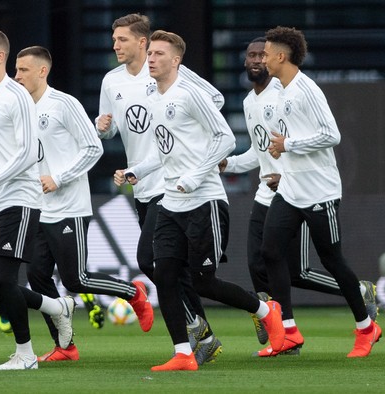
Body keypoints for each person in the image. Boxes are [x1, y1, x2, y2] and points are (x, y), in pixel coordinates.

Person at [124, 30, 285, 371]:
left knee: (203, 281)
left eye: (158, 54)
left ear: (176, 60)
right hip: (171, 202)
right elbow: (164, 150)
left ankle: (264, 310)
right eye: (149, 53)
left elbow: (225, 138)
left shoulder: (190, 94)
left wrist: (195, 175)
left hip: (205, 201)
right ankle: (183, 353)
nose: (151, 59)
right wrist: (137, 169)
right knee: (163, 273)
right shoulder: (153, 97)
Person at [219, 37, 378, 356]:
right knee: (269, 252)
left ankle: (366, 326)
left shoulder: (304, 89)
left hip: (319, 189)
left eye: (264, 53)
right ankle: (288, 331)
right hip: (289, 188)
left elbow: (331, 135)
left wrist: (287, 148)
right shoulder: (270, 96)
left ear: (279, 56)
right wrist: (238, 163)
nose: (259, 59)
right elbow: (268, 146)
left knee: (332, 260)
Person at [12, 46, 154, 361]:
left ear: (41, 71)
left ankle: (134, 293)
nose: (17, 76)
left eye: (23, 70)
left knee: (76, 279)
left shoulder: (64, 104)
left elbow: (93, 148)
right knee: (36, 277)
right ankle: (65, 346)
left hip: (69, 208)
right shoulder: (17, 109)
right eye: (16, 70)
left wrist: (58, 178)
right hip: (37, 208)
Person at [96, 13, 223, 365]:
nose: (115, 45)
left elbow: (214, 101)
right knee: (168, 267)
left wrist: (190, 145)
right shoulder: (111, 81)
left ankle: (198, 331)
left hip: (173, 184)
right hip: (142, 183)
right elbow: (108, 130)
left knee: (151, 261)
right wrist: (102, 126)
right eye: (113, 38)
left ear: (142, 42)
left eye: (122, 39)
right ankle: (202, 333)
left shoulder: (168, 74)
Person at [0, 28, 75, 370]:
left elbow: (27, 154)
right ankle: (56, 307)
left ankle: (26, 355)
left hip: (21, 198)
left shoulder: (17, 97)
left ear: (0, 57)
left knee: (3, 279)